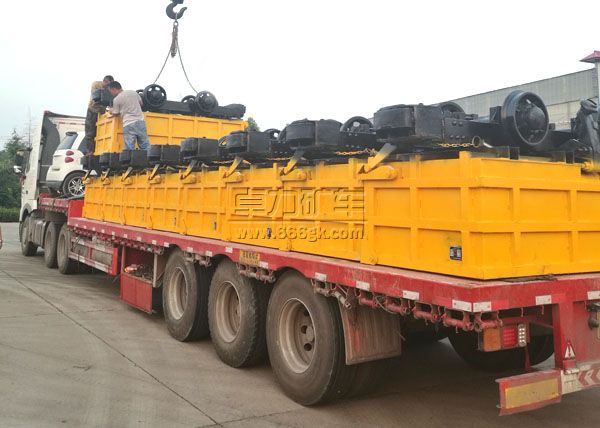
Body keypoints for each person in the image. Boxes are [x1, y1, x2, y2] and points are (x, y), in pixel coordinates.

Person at [107, 81, 151, 150]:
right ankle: (148, 157)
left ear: (113, 89)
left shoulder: (116, 99)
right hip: (140, 121)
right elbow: (141, 104)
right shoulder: (133, 92)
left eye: (110, 91)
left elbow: (116, 113)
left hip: (128, 123)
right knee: (145, 145)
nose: (111, 94)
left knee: (129, 147)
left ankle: (130, 157)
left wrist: (110, 110)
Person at [82, 75, 115, 153]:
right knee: (90, 132)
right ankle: (90, 151)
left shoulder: (110, 88)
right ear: (104, 81)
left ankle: (99, 149)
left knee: (102, 132)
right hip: (93, 110)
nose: (108, 86)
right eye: (107, 84)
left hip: (102, 112)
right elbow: (97, 95)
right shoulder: (96, 84)